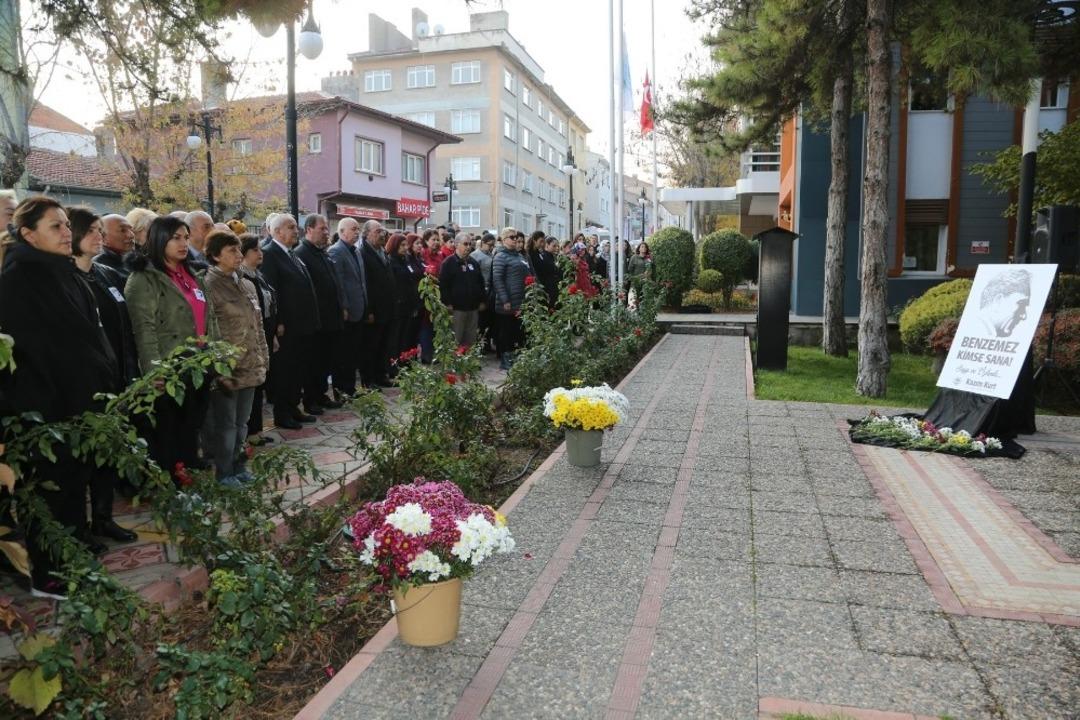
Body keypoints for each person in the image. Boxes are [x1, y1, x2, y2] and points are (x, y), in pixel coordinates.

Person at [0, 197, 121, 597]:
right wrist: (50, 403)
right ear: (28, 233)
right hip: (47, 409)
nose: (66, 232)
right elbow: (29, 353)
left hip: (81, 403)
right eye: (56, 226)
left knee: (73, 488)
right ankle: (48, 574)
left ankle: (70, 558)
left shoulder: (65, 272)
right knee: (47, 491)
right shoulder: (18, 280)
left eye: (67, 224)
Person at [126, 215, 219, 484]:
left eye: (185, 238)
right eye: (175, 237)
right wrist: (154, 370)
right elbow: (144, 330)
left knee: (191, 425)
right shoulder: (144, 278)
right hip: (170, 369)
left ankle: (187, 468)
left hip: (199, 364)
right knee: (170, 429)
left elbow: (209, 317)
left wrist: (217, 354)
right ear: (158, 239)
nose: (182, 243)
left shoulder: (192, 273)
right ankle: (170, 480)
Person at [68, 207, 140, 544]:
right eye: (92, 230)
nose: (99, 236)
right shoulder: (65, 280)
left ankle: (103, 517)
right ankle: (78, 529)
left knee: (107, 456)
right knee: (80, 460)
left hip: (115, 379)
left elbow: (124, 327)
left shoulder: (106, 275)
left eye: (100, 230)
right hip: (81, 385)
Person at [201, 230, 269, 487]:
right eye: (232, 251)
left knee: (242, 424)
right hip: (228, 369)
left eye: (240, 250)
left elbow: (258, 324)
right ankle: (224, 472)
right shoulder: (208, 285)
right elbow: (209, 330)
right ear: (215, 255)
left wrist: (263, 356)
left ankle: (239, 466)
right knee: (226, 425)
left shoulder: (247, 283)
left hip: (250, 364)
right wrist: (218, 369)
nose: (239, 255)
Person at [259, 213, 320, 429]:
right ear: (277, 232)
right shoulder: (269, 254)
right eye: (291, 227)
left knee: (299, 369)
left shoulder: (291, 254)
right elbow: (272, 291)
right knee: (285, 371)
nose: (296, 231)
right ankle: (282, 413)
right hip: (287, 326)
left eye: (296, 227)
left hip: (302, 325)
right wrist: (279, 322)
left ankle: (294, 407)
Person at [294, 214, 344, 414]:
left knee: (326, 361)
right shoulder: (301, 253)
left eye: (326, 229)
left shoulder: (323, 253)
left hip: (331, 317)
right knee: (313, 362)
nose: (326, 233)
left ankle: (322, 393)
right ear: (308, 230)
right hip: (316, 320)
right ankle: (311, 398)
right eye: (322, 229)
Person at [238, 234, 277, 446]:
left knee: (260, 383)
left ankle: (258, 429)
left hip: (265, 334)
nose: (260, 254)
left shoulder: (258, 275)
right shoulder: (243, 279)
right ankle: (250, 432)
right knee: (252, 386)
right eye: (255, 250)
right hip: (249, 339)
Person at [327, 217, 367, 398]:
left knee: (354, 353)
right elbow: (339, 283)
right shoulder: (336, 251)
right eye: (353, 229)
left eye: (358, 229)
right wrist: (344, 306)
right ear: (342, 232)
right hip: (347, 311)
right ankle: (340, 390)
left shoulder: (356, 251)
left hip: (359, 308)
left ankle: (350, 388)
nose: (357, 232)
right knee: (343, 354)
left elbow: (360, 280)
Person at [358, 219, 396, 388]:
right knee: (370, 347)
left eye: (383, 231)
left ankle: (381, 375)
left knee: (383, 345)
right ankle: (369, 379)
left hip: (387, 307)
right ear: (366, 234)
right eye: (378, 231)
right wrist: (369, 310)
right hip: (373, 309)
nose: (382, 234)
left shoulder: (382, 251)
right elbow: (366, 284)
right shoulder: (363, 253)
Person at [439, 233, 487, 348]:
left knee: (471, 339)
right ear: (456, 245)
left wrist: (482, 301)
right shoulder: (448, 263)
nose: (468, 247)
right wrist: (447, 303)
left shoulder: (473, 262)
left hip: (473, 308)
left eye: (470, 244)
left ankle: (469, 364)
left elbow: (481, 283)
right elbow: (443, 285)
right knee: (456, 339)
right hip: (457, 309)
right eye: (465, 244)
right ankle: (455, 364)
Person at [492, 227, 530, 370]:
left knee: (517, 331)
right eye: (512, 237)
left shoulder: (519, 256)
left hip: (521, 300)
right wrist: (504, 299)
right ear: (504, 240)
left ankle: (515, 356)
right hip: (507, 302)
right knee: (506, 332)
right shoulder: (500, 256)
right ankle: (505, 359)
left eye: (516, 237)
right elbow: (497, 279)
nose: (515, 240)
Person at [470, 233, 497, 350]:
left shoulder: (491, 255)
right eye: (489, 245)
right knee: (480, 320)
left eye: (493, 245)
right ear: (482, 243)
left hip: (489, 291)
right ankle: (478, 344)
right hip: (479, 291)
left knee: (488, 319)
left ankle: (487, 343)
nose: (491, 247)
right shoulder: (475, 256)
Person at [93, 213, 136, 280]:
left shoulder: (138, 260)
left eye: (131, 229)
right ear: (103, 238)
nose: (131, 235)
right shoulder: (99, 268)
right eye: (123, 230)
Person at [527, 230, 558, 306]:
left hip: (545, 285)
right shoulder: (530, 254)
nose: (542, 244)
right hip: (538, 285)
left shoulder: (539, 253)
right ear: (534, 240)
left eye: (543, 241)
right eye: (541, 241)